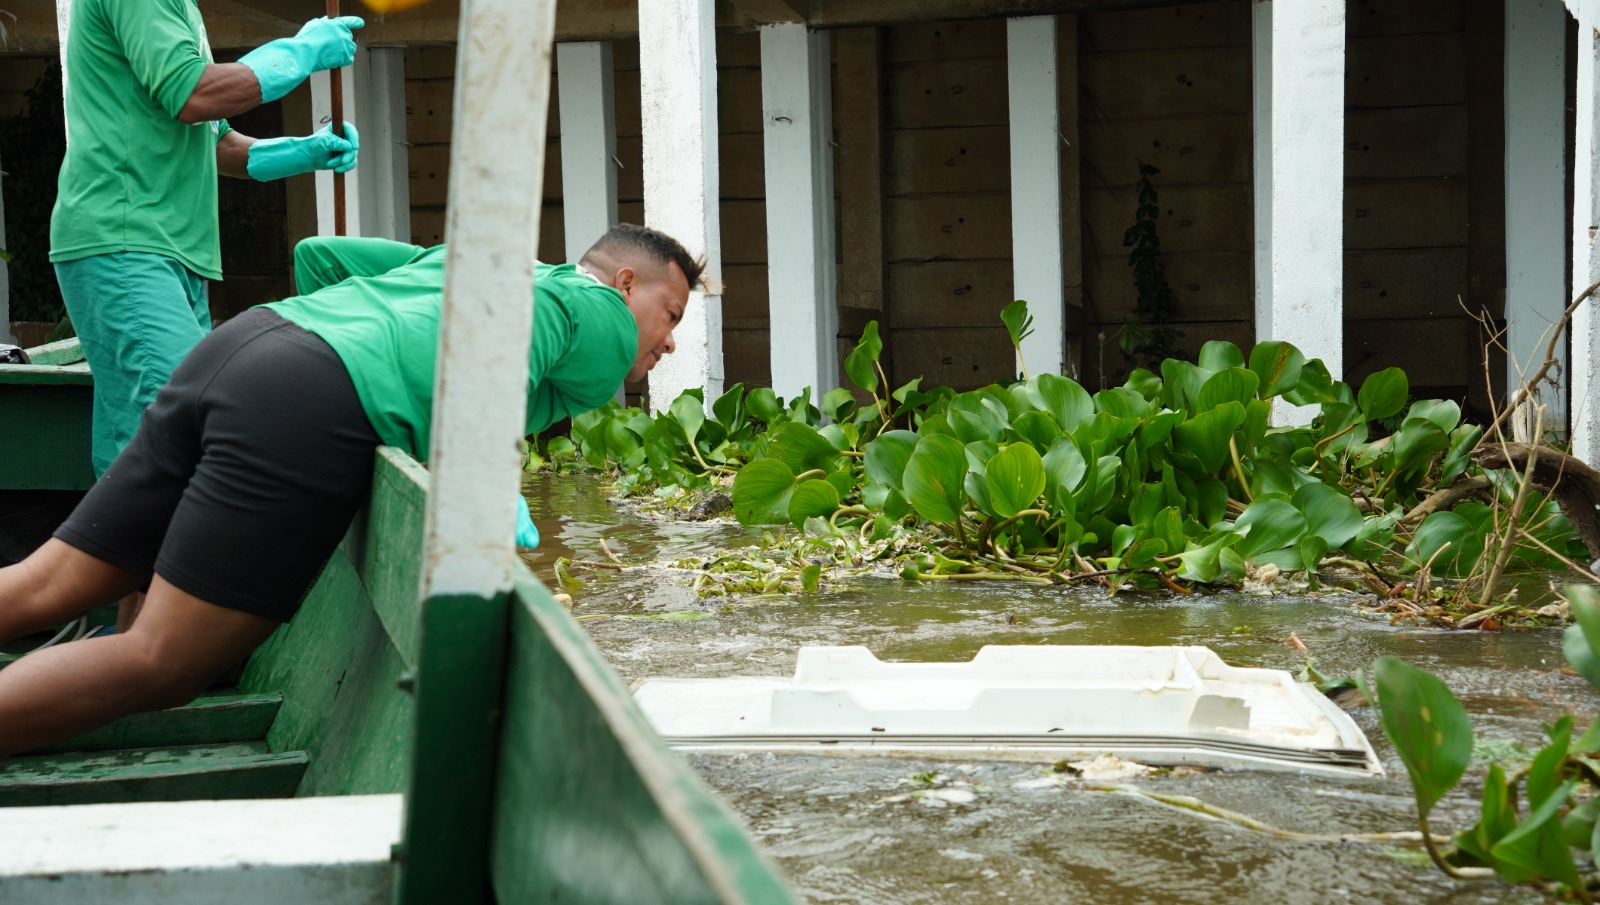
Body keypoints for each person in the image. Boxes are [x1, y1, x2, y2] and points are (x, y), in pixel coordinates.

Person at [0, 224, 698, 756]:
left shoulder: (483, 268)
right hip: (310, 402)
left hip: (247, 346)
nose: (668, 344)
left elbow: (320, 255)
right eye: (670, 315)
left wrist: (341, 353)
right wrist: (483, 466)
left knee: (46, 583)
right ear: (627, 281)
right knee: (161, 660)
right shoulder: (599, 313)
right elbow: (504, 349)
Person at [51, 1, 366, 480]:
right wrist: (300, 53)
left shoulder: (180, 8)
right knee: (185, 437)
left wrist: (304, 151)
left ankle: (120, 551)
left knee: (142, 448)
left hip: (168, 252)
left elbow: (216, 141)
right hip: (127, 240)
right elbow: (194, 95)